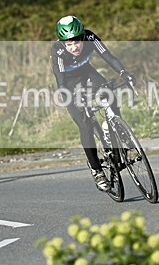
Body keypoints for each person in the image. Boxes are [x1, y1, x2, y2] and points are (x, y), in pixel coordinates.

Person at [51, 15, 134, 192]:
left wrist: (123, 72)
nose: (74, 47)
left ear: (82, 36)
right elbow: (60, 79)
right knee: (85, 125)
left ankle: (114, 126)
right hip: (69, 84)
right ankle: (97, 171)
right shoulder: (57, 51)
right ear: (62, 43)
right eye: (69, 44)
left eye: (77, 42)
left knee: (109, 94)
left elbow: (108, 56)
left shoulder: (90, 37)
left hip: (88, 74)